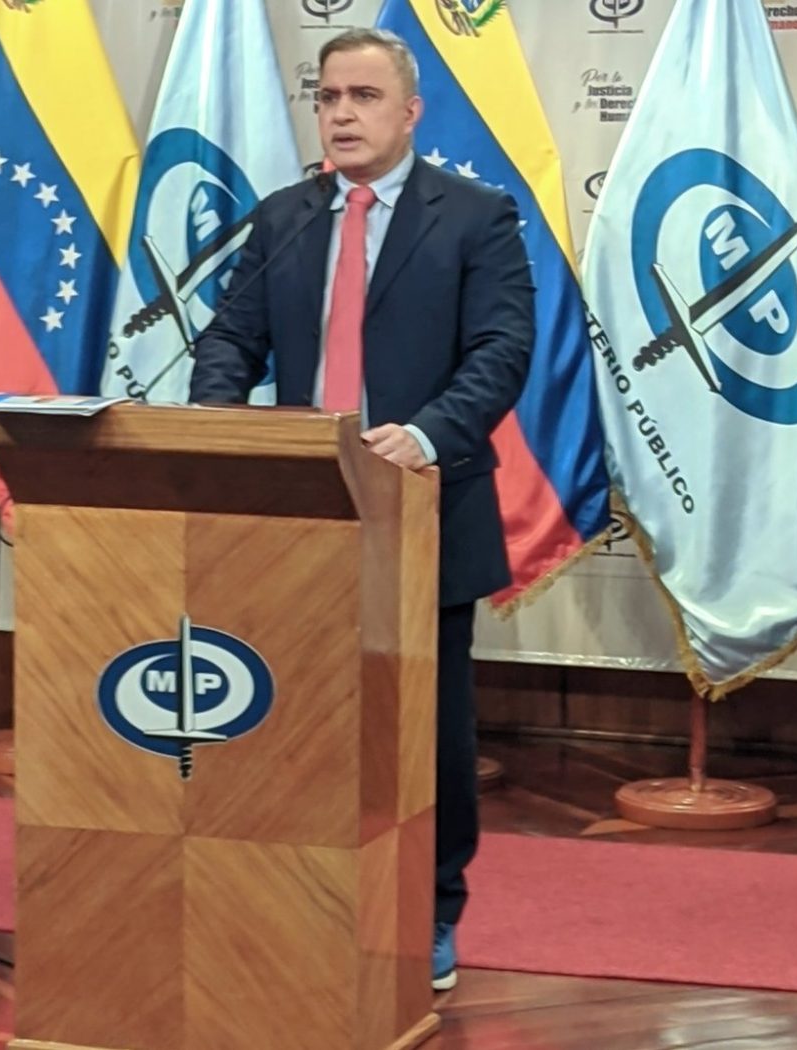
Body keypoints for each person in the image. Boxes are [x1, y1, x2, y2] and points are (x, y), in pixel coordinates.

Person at [188, 27, 533, 993]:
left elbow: (502, 351)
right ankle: (304, 897)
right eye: (329, 96)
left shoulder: (476, 217)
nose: (341, 114)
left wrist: (424, 435)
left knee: (426, 728)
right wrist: (217, 431)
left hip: (425, 507)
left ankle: (430, 909)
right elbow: (230, 340)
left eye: (364, 97)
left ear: (410, 112)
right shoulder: (287, 217)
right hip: (301, 515)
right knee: (297, 717)